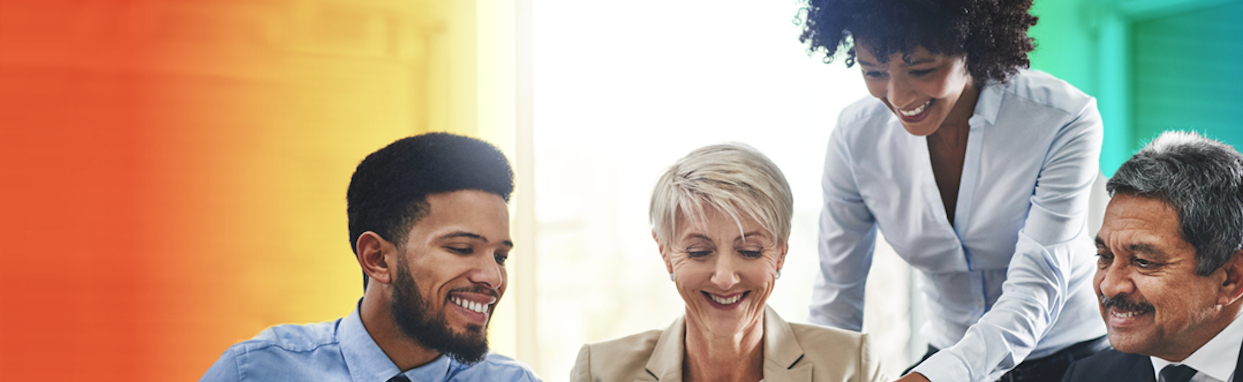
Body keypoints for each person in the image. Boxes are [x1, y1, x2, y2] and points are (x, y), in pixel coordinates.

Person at [798, 1, 1109, 381]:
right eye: (874, 72)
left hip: (1069, 356)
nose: (898, 98)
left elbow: (1036, 287)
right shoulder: (855, 137)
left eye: (921, 69)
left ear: (970, 47)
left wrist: (937, 376)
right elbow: (837, 298)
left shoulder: (1061, 119)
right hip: (944, 355)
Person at [200, 133, 541, 382]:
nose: (492, 278)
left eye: (500, 256)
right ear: (377, 258)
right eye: (461, 249)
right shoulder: (254, 372)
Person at [571, 143, 889, 382]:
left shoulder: (850, 366)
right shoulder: (601, 371)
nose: (724, 278)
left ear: (781, 251)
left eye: (750, 251)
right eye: (699, 252)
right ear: (665, 253)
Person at [1061, 131, 1243, 382]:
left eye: (1143, 262)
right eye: (1105, 257)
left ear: (1231, 277)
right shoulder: (1087, 376)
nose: (1109, 286)